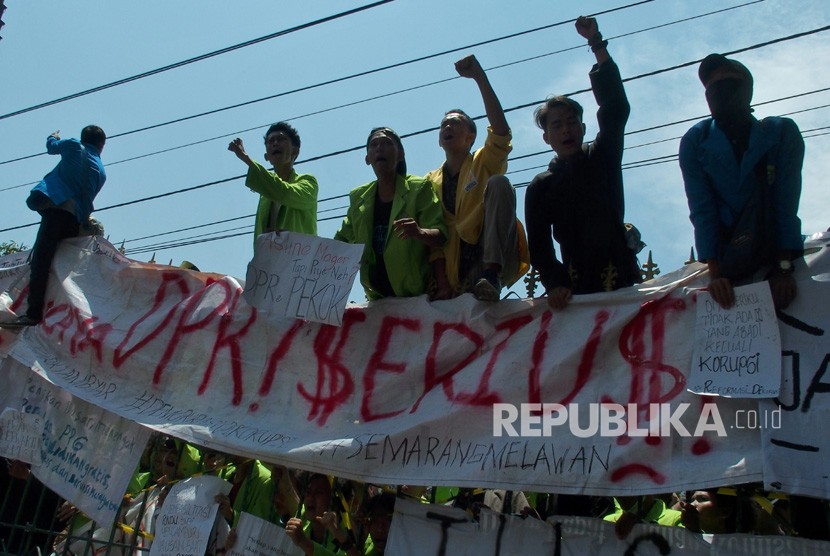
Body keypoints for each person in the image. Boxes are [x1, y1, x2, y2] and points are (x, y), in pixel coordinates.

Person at [525, 16, 640, 310]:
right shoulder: (541, 186)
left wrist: (596, 44)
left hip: (623, 275)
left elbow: (615, 109)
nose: (566, 130)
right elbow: (539, 247)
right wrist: (556, 283)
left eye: (572, 122)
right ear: (546, 138)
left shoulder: (603, 155)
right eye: (558, 125)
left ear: (583, 128)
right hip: (577, 284)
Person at [679, 54, 804, 310]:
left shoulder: (780, 132)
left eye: (729, 83)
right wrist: (716, 275)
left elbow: (786, 200)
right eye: (712, 86)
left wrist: (783, 267)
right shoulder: (696, 140)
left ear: (747, 90)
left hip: (773, 249)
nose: (720, 92)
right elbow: (703, 210)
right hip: (729, 257)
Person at [426, 55, 528, 302]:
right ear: (439, 140)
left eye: (455, 123)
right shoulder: (429, 181)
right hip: (453, 269)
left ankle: (492, 273)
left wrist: (479, 78)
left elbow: (501, 132)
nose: (447, 128)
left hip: (486, 256)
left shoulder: (482, 162)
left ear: (471, 136)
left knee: (499, 183)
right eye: (443, 126)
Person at [2, 125, 107, 328]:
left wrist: (53, 135)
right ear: (102, 145)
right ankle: (61, 315)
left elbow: (52, 147)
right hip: (75, 222)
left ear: (82, 138)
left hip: (57, 213)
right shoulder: (101, 171)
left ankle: (33, 313)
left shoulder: (74, 146)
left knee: (41, 262)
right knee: (62, 266)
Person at [335, 127, 446, 301]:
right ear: (367, 159)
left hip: (417, 299)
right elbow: (340, 243)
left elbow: (441, 236)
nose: (379, 148)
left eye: (387, 143)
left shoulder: (419, 188)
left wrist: (419, 232)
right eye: (374, 145)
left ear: (400, 154)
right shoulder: (358, 197)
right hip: (377, 300)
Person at [228, 121, 319, 241]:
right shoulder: (265, 196)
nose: (275, 143)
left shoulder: (308, 182)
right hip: (269, 258)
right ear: (267, 157)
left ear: (295, 151)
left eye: (281, 139)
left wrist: (246, 159)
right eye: (270, 141)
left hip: (300, 257)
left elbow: (284, 192)